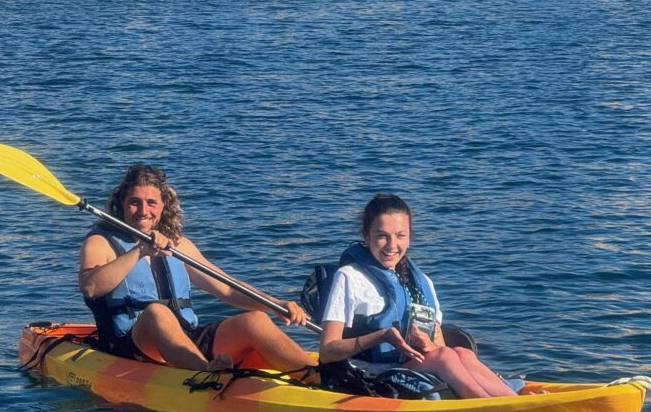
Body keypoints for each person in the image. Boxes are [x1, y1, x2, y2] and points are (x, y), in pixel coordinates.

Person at [79, 164, 316, 374]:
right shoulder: (101, 242)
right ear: (121, 205)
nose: (143, 211)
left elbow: (227, 288)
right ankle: (206, 374)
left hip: (185, 338)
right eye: (134, 202)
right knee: (157, 312)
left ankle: (318, 375)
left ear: (163, 207)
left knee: (256, 320)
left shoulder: (178, 244)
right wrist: (139, 251)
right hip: (131, 343)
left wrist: (277, 305)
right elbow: (91, 287)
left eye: (151, 203)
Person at [318, 194, 515, 399]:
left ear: (410, 237)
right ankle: (485, 405)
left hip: (411, 366)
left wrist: (430, 346)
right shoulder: (349, 277)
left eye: (400, 235)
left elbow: (439, 345)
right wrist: (381, 336)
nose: (391, 245)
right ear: (367, 237)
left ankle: (512, 400)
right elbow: (327, 351)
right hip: (367, 374)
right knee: (445, 357)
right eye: (382, 235)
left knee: (462, 353)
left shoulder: (422, 282)